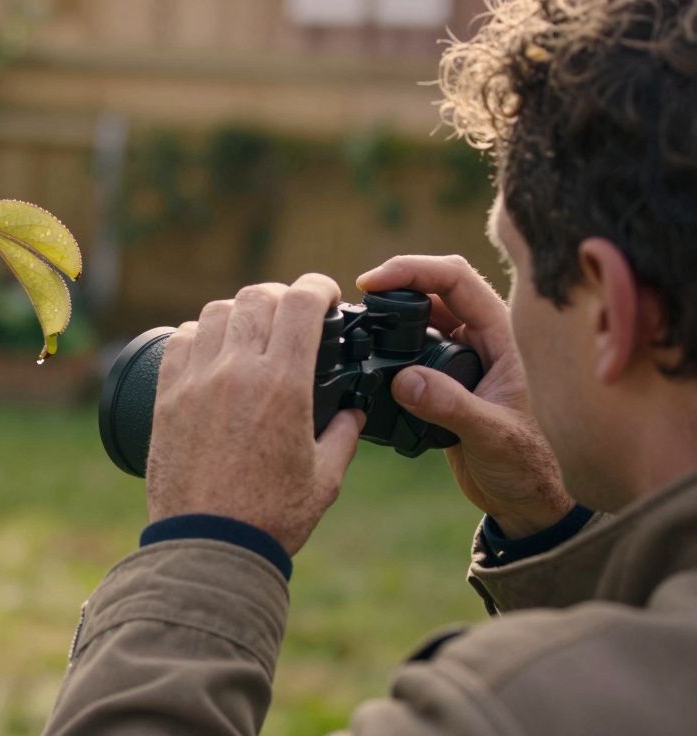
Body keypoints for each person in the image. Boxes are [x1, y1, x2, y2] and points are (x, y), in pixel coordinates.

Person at [43, 0, 697, 733]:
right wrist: (554, 530)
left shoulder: (502, 713)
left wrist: (205, 552)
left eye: (515, 270)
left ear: (608, 310)